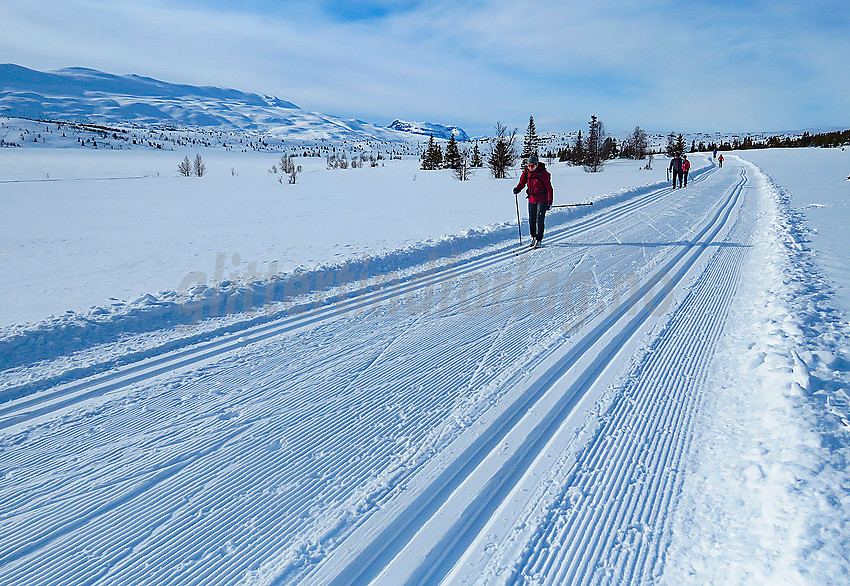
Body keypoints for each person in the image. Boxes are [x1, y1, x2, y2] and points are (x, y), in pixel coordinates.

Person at [513, 154, 553, 248]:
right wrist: (517, 189)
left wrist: (549, 202)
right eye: (529, 166)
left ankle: (539, 239)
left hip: (542, 199)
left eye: (533, 166)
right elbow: (522, 183)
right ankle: (533, 237)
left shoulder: (542, 173)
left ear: (537, 165)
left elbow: (549, 188)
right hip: (531, 198)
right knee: (532, 219)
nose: (531, 168)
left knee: (539, 219)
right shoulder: (526, 173)